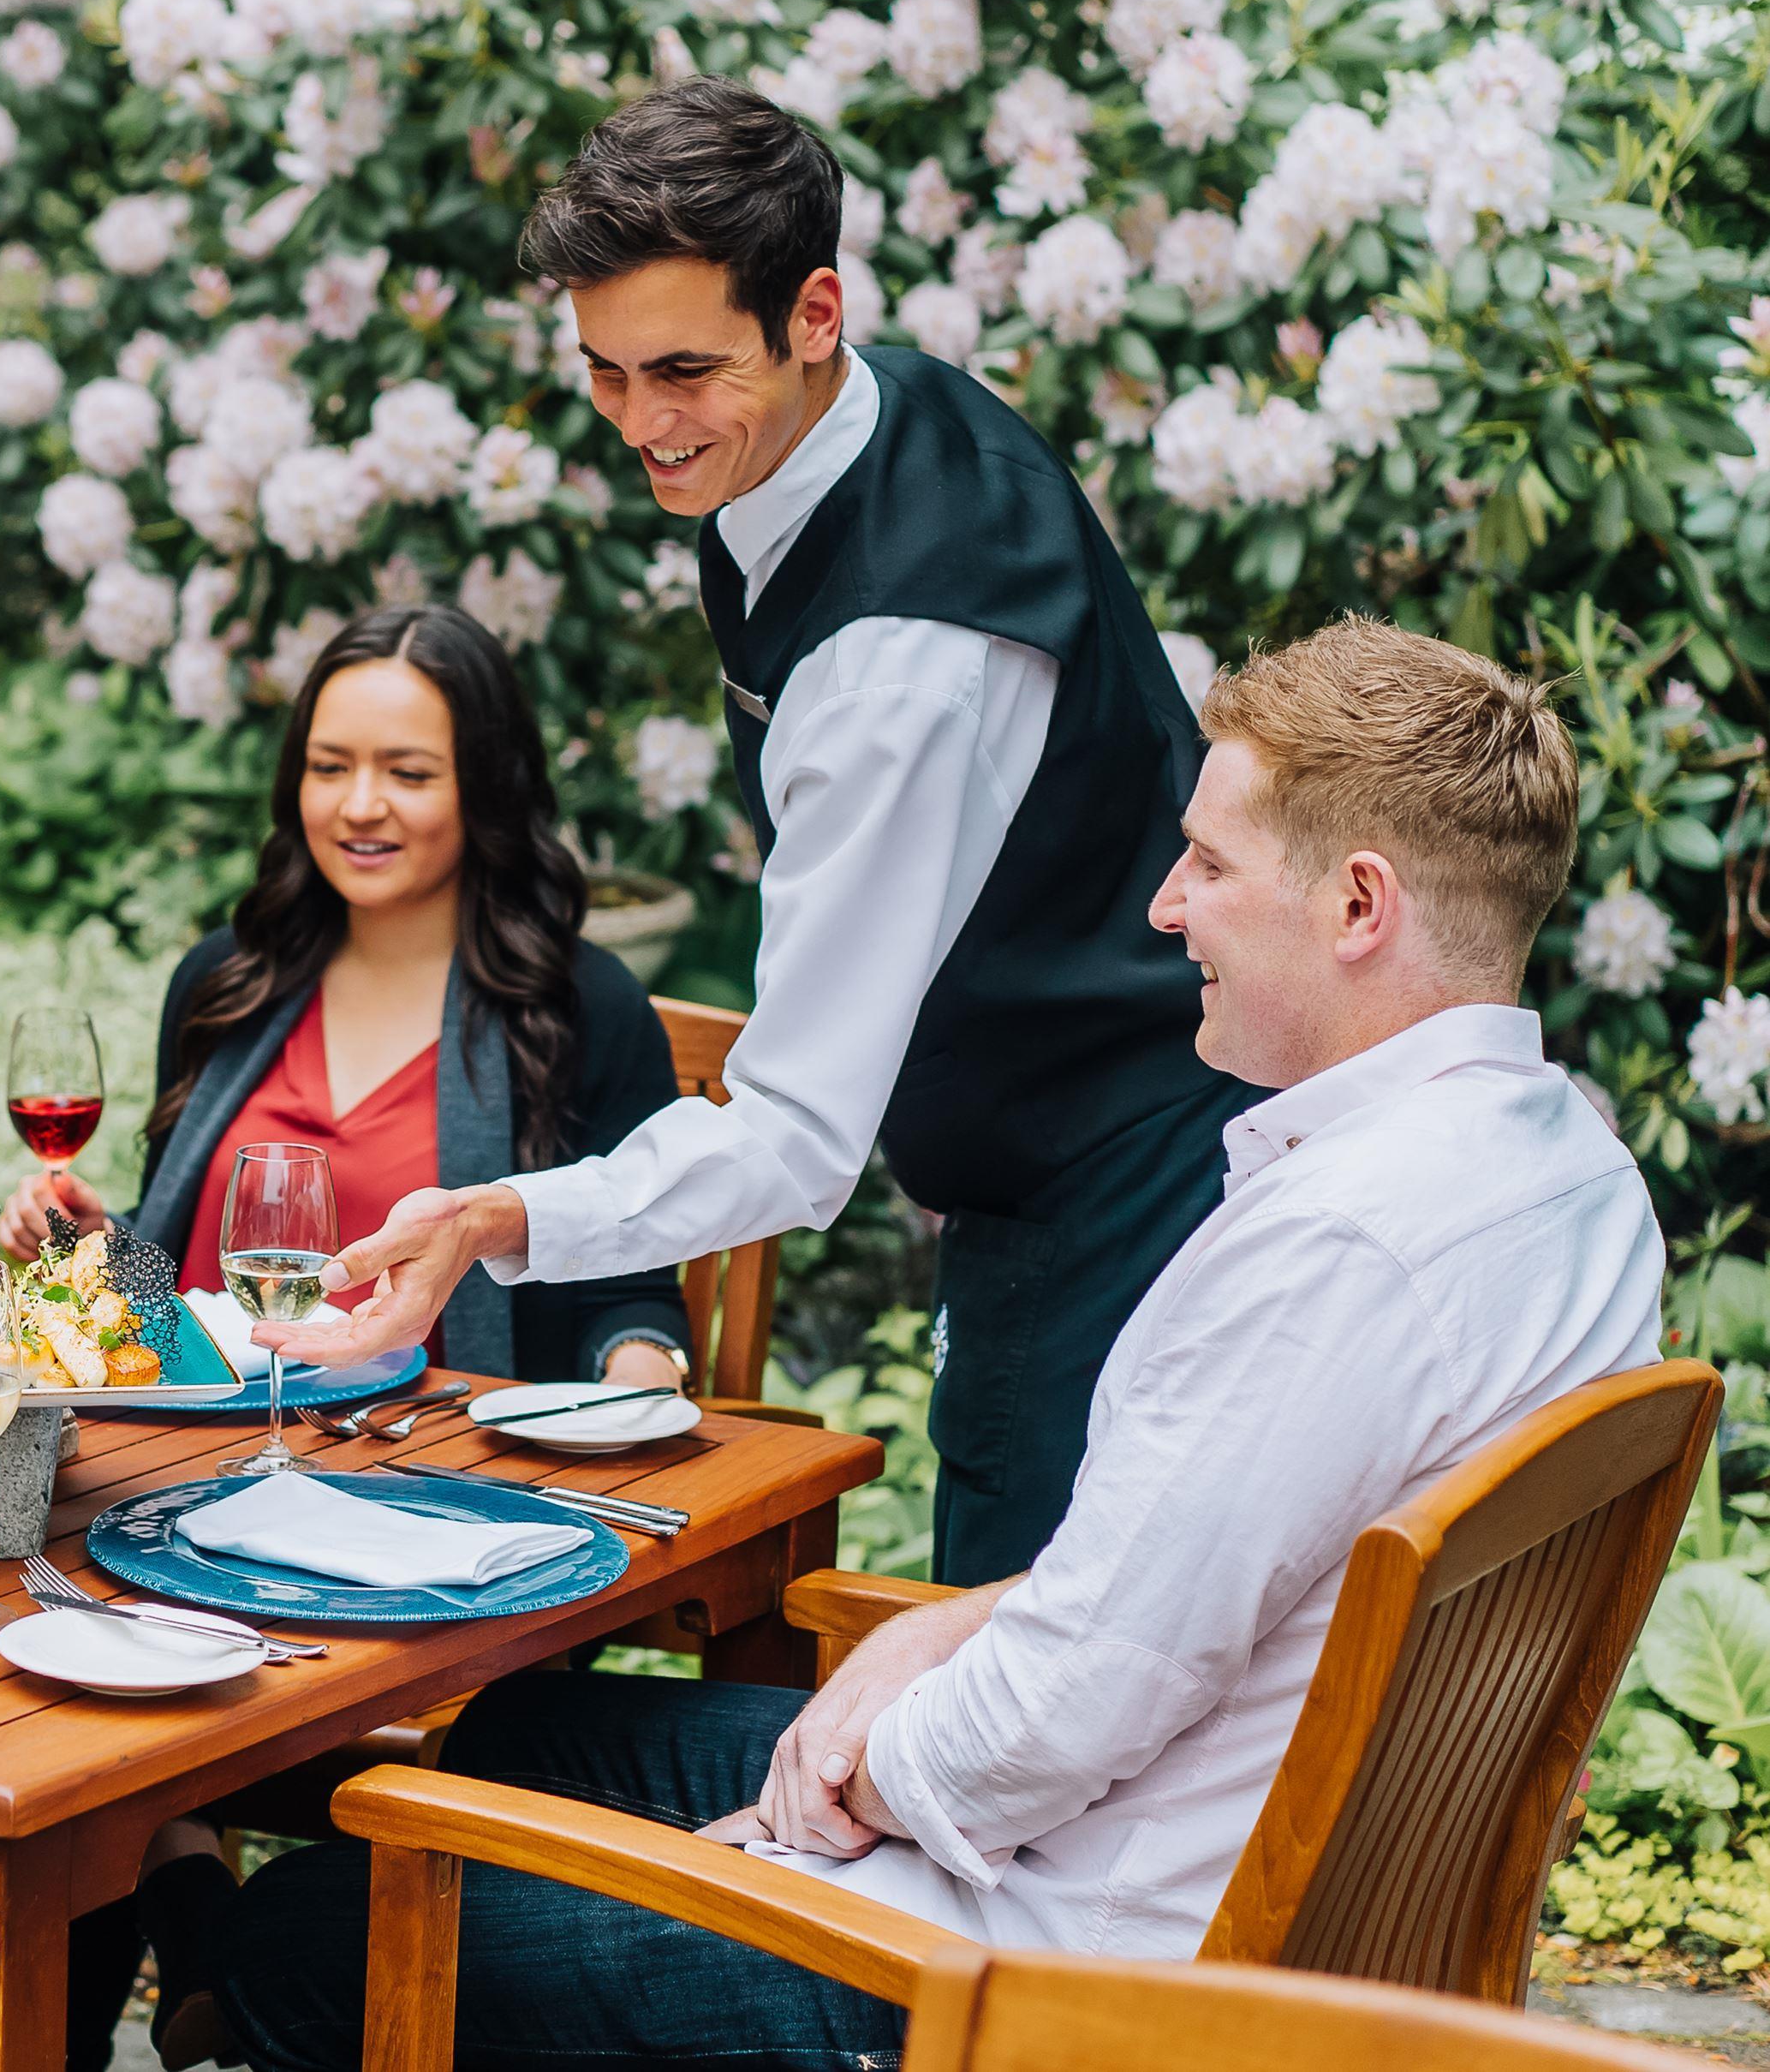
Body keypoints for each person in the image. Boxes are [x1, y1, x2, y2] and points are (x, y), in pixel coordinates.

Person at [134, 619, 1660, 2072]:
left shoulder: (1331, 1245)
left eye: (1205, 859)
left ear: (1355, 905)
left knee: (306, 1935)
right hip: (1224, 1861)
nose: (1163, 905)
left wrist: (832, 1793)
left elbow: (1050, 1721)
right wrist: (932, 1633)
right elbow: (1198, 1579)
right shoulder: (1565, 1180)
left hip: (1054, 1968)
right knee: (529, 1721)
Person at [301, 79, 1263, 1582]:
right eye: (604, 373)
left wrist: (494, 1213)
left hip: (1106, 1196)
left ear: (812, 309)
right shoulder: (870, 419)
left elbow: (798, 1136)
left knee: (1020, 1691)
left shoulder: (899, 669)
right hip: (1087, 1145)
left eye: (682, 368)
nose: (641, 424)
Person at [0, 602, 692, 1388]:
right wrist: (101, 1240)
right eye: (329, 767)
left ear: (484, 787)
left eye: (408, 773)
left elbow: (634, 1302)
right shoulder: (226, 983)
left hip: (438, 1467)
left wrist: (637, 1400)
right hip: (197, 1439)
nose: (360, 805)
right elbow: (192, 1275)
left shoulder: (578, 1007)